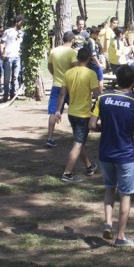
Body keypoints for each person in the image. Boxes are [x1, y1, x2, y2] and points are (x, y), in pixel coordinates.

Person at [90, 65, 134, 246]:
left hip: (105, 153)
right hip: (124, 155)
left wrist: (106, 127)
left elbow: (92, 125)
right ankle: (120, 236)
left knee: (110, 188)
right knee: (125, 194)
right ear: (133, 82)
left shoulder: (102, 98)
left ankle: (108, 223)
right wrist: (130, 126)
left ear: (116, 79)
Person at [56, 47, 101, 183]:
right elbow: (97, 95)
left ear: (78, 58)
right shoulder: (91, 74)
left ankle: (89, 166)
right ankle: (67, 173)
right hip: (83, 114)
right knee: (78, 143)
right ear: (89, 59)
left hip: (72, 113)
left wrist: (58, 111)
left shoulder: (68, 73)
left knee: (79, 141)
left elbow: (62, 94)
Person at [45, 32, 76, 147]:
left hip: (57, 84)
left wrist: (55, 74)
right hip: (70, 86)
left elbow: (49, 66)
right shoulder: (72, 52)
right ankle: (77, 137)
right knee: (75, 110)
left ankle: (50, 138)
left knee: (53, 111)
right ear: (72, 40)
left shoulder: (54, 51)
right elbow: (76, 67)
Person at [0, 15, 24, 101]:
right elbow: (2, 42)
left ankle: (12, 93)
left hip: (17, 56)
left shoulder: (21, 33)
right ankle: (5, 95)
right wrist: (2, 52)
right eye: (21, 22)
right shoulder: (8, 31)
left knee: (15, 76)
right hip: (8, 56)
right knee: (7, 77)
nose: (22, 24)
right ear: (17, 22)